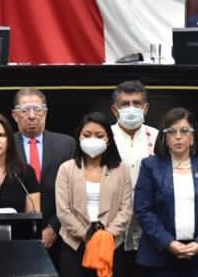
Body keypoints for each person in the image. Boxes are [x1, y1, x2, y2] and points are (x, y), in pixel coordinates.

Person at [134, 107, 198, 277]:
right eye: (172, 131)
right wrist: (168, 242)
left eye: (184, 131)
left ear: (193, 137)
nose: (178, 136)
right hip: (160, 256)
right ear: (164, 137)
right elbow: (143, 210)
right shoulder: (150, 167)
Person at [55, 112, 134, 277]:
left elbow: (126, 209)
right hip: (75, 246)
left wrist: (106, 237)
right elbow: (63, 211)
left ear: (108, 139)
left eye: (99, 135)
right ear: (79, 137)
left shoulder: (121, 170)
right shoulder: (66, 169)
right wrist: (88, 237)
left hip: (111, 245)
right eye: (87, 135)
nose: (93, 139)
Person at [12, 87, 77, 265]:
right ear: (15, 115)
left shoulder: (66, 145)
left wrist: (53, 227)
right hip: (16, 235)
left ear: (46, 113)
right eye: (25, 110)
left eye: (38, 109)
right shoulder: (6, 145)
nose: (32, 116)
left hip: (60, 235)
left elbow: (74, 192)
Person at [109, 80, 158, 277]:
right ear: (115, 110)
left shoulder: (157, 138)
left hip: (148, 231)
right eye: (125, 104)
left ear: (145, 108)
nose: (131, 108)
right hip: (112, 228)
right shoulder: (105, 137)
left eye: (136, 104)